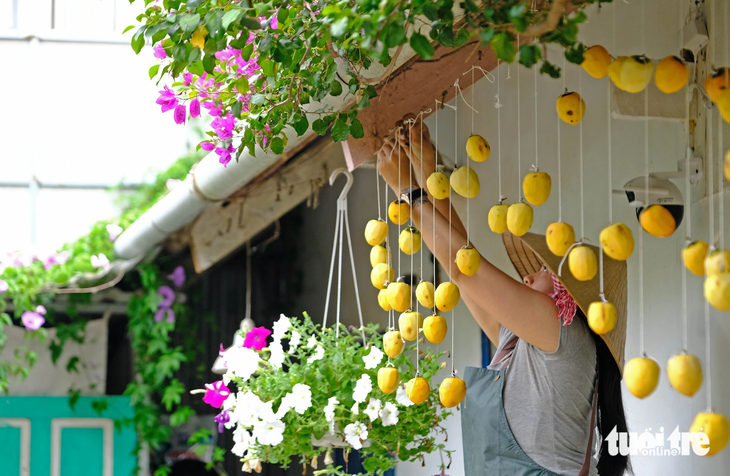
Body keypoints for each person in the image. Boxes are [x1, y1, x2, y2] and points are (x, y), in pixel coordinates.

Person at [376, 113, 632, 476]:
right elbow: (460, 267)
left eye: (542, 269)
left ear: (569, 296)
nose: (527, 275)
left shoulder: (560, 332)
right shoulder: (530, 343)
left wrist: (408, 192)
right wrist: (426, 167)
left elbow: (464, 267)